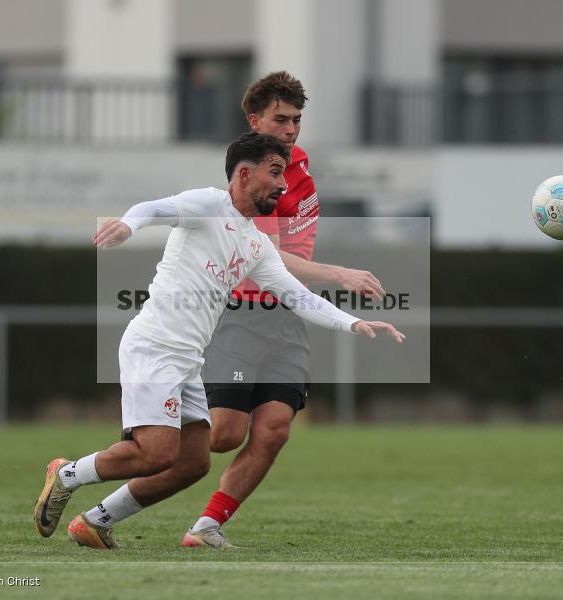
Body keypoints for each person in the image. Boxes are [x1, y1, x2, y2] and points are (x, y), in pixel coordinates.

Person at [34, 132, 404, 550]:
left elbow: (296, 296)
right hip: (154, 347)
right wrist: (127, 225)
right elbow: (152, 208)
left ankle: (97, 522)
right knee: (155, 453)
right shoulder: (210, 204)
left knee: (193, 463)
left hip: (189, 361)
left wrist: (353, 323)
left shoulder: (255, 243)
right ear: (244, 175)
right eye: (275, 172)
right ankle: (66, 473)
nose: (283, 185)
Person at [182, 72, 386, 549]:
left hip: (287, 314)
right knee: (223, 435)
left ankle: (206, 527)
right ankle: (122, 460)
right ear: (254, 121)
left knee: (274, 430)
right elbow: (268, 255)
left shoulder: (300, 163)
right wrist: (340, 275)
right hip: (244, 312)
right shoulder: (257, 178)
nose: (292, 129)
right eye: (281, 119)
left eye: (297, 119)